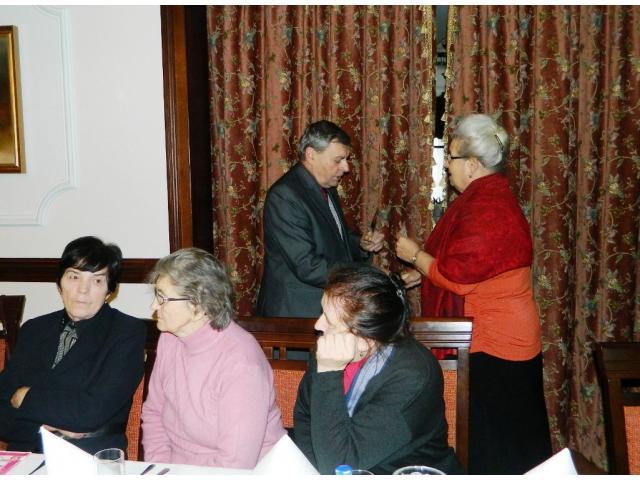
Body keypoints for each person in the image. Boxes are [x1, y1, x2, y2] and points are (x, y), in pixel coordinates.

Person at [395, 113, 551, 474]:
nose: (446, 165)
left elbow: (459, 276)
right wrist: (424, 273)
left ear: (473, 165)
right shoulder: (487, 197)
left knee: (499, 445)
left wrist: (415, 255)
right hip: (498, 333)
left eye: (451, 157)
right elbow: (468, 264)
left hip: (497, 342)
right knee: (502, 436)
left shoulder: (487, 207)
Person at [293, 263, 463, 475]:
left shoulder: (413, 375)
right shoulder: (329, 348)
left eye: (328, 319)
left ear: (364, 339)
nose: (318, 325)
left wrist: (328, 373)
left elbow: (339, 464)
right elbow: (305, 419)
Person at [0, 236, 146, 454]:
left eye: (97, 281)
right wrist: (42, 427)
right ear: (59, 284)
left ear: (109, 291)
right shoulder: (34, 329)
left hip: (89, 455)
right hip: (26, 453)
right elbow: (2, 412)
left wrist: (24, 396)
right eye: (74, 277)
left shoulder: (126, 332)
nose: (82, 289)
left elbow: (90, 413)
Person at [141, 248, 285, 468]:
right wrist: (160, 469)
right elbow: (154, 413)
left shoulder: (241, 362)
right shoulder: (170, 338)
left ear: (199, 306)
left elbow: (235, 462)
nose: (153, 306)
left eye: (163, 298)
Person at [257, 120, 384, 318]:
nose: (346, 168)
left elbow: (337, 238)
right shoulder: (285, 195)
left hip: (324, 308)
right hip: (296, 314)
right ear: (311, 155)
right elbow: (307, 265)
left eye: (346, 159)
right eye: (338, 160)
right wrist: (364, 275)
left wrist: (362, 245)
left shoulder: (326, 187)